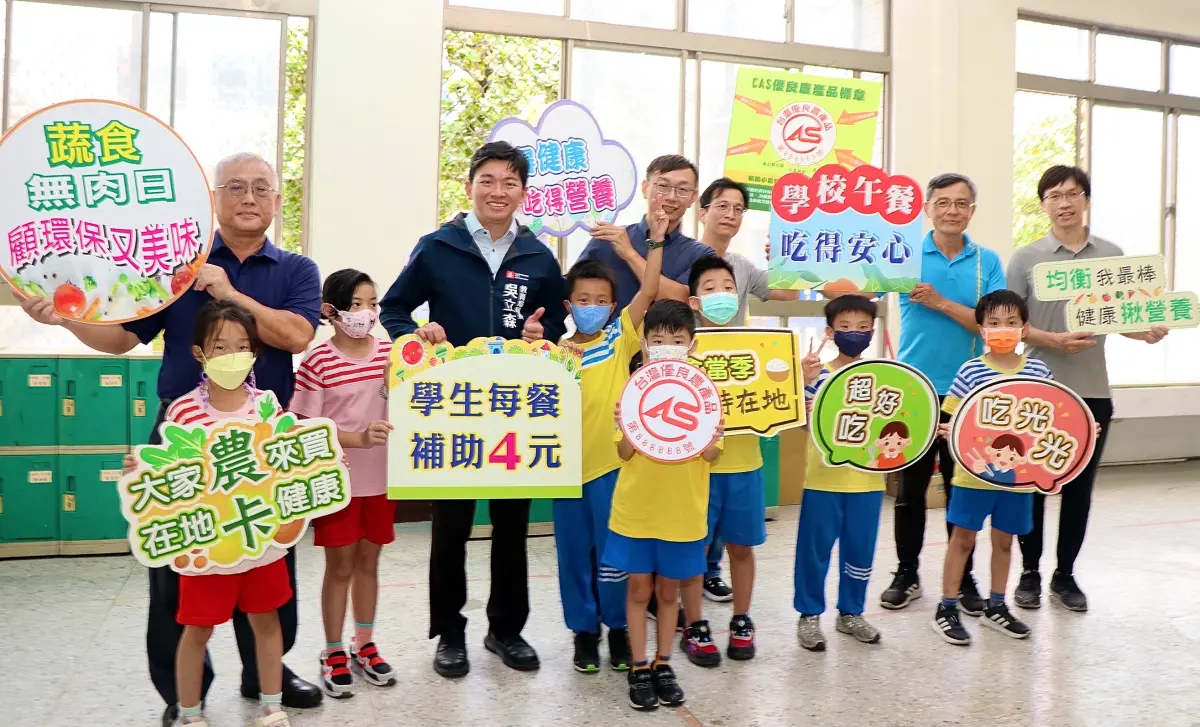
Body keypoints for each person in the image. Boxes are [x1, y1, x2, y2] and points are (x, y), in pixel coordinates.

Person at [18, 152, 322, 726]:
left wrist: (229, 290)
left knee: (269, 559)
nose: (249, 197)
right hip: (183, 435)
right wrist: (62, 319)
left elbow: (297, 334)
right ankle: (185, 694)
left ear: (278, 201)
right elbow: (119, 339)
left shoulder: (297, 270)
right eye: (235, 187)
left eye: (262, 187)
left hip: (262, 438)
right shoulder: (175, 268)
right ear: (214, 200)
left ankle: (268, 675)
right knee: (180, 566)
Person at [379, 141, 568, 678]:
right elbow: (394, 308)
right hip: (452, 408)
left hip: (515, 409)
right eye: (488, 179)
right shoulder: (437, 246)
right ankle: (450, 633)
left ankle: (506, 629)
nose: (498, 191)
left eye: (510, 182)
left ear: (524, 194)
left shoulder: (537, 255)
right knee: (452, 526)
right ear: (469, 186)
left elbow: (554, 321)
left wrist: (542, 333)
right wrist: (417, 335)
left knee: (512, 525)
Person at [120, 301, 293, 727]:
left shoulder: (268, 406)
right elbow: (168, 470)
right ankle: (190, 712)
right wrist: (144, 466)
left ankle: (272, 705)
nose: (232, 355)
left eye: (242, 346)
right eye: (220, 347)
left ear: (255, 353)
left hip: (261, 538)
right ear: (199, 353)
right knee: (196, 628)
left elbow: (288, 460)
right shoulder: (183, 411)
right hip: (206, 545)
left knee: (266, 621)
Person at [1006, 165, 1168, 612]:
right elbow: (1010, 324)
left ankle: (1065, 575)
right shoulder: (1026, 258)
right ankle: (1030, 572)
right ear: (1043, 205)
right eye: (1054, 195)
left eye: (1072, 193)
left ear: (1086, 199)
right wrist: (1053, 339)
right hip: (1037, 393)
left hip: (1093, 391)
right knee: (1034, 486)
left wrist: (1146, 332)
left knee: (1079, 488)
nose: (1064, 202)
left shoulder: (1113, 255)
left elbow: (1119, 319)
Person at [881, 173, 1006, 615]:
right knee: (910, 490)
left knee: (962, 490)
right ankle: (906, 572)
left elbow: (994, 323)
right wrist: (786, 261)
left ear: (973, 210)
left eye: (962, 203)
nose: (952, 210)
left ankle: (964, 576)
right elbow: (850, 282)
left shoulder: (985, 261)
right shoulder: (904, 254)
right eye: (943, 202)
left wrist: (941, 303)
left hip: (970, 391)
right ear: (927, 207)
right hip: (915, 390)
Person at [552, 195, 666, 674]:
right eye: (583, 301)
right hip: (561, 472)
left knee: (616, 555)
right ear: (568, 305)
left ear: (613, 306)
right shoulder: (554, 350)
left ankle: (619, 628)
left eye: (601, 301)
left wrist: (654, 239)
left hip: (613, 467)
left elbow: (652, 289)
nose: (592, 307)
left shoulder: (620, 335)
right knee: (573, 557)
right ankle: (583, 631)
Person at [605, 299, 723, 711]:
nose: (668, 345)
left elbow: (712, 456)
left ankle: (663, 663)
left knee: (668, 591)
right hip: (638, 506)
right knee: (639, 588)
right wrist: (625, 424)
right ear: (645, 341)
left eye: (678, 339)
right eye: (658, 339)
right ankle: (639, 666)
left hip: (684, 510)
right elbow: (622, 452)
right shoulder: (634, 385)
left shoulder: (705, 391)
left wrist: (710, 438)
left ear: (691, 343)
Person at [290, 269, 395, 697]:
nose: (365, 313)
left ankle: (364, 642)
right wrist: (355, 438)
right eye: (355, 305)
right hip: (339, 483)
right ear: (330, 311)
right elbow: (304, 426)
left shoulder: (392, 352)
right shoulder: (318, 361)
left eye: (371, 303)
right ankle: (333, 648)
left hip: (384, 481)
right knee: (339, 568)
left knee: (369, 563)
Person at [931, 290, 1054, 646]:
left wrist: (1080, 433)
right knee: (962, 540)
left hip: (1019, 478)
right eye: (994, 323)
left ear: (1024, 328)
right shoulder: (971, 370)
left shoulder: (1037, 369)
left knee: (1005, 542)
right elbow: (951, 415)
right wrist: (948, 427)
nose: (1003, 329)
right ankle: (947, 607)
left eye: (1011, 323)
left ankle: (997, 606)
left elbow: (1051, 419)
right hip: (973, 474)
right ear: (981, 328)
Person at [695, 177, 797, 603]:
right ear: (702, 211)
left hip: (737, 380)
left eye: (738, 208)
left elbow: (786, 293)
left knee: (729, 474)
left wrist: (789, 258)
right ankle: (686, 575)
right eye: (721, 205)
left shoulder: (743, 265)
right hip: (692, 376)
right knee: (698, 482)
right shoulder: (680, 258)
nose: (730, 214)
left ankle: (712, 570)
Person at [678, 256, 768, 665]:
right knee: (694, 550)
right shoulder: (683, 352)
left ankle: (741, 620)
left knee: (742, 548)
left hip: (746, 465)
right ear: (695, 303)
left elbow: (779, 396)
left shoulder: (760, 348)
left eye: (728, 287)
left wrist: (799, 373)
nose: (721, 295)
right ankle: (694, 623)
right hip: (695, 470)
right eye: (710, 288)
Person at [794, 295, 886, 651]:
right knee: (814, 551)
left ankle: (851, 612)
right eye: (845, 327)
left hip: (868, 482)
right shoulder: (818, 376)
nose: (855, 334)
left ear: (873, 332)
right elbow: (802, 424)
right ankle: (809, 615)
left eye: (863, 328)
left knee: (860, 550)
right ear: (830, 332)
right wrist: (803, 386)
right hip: (823, 480)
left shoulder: (881, 378)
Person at [577, 154, 715, 312]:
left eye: (682, 189)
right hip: (609, 336)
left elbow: (681, 301)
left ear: (693, 197)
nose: (671, 197)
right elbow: (571, 292)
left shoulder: (701, 255)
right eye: (663, 186)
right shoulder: (608, 240)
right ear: (645, 188)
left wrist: (629, 254)